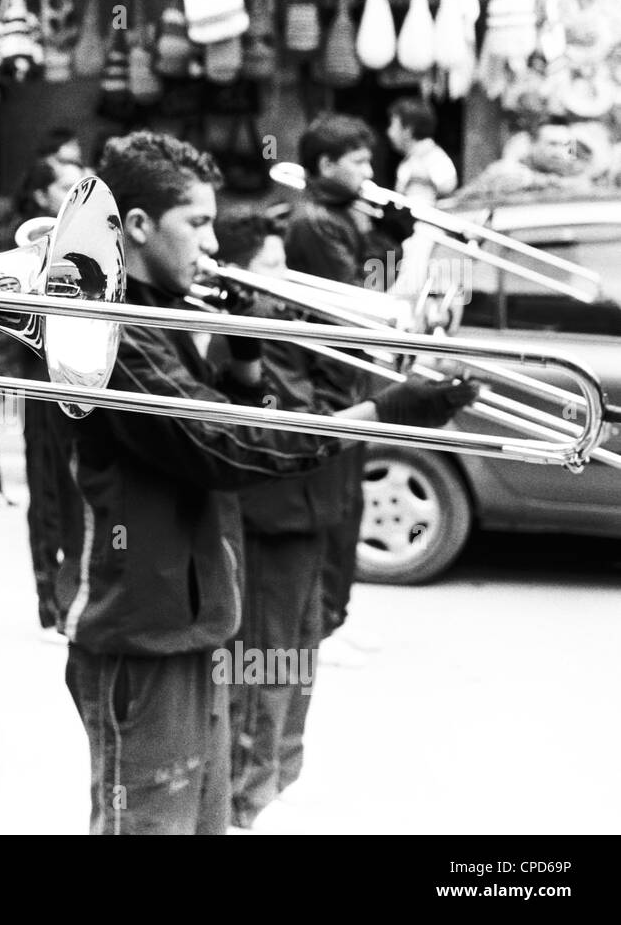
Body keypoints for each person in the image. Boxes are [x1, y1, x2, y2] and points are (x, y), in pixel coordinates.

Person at [61, 130, 476, 835]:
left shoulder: (160, 320)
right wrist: (380, 412)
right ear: (135, 227)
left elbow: (218, 430)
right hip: (143, 634)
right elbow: (224, 446)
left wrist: (244, 364)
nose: (210, 243)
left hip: (195, 623)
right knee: (151, 826)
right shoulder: (116, 334)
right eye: (196, 224)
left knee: (204, 823)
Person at [208, 208, 355, 830]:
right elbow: (284, 417)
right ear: (239, 276)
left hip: (310, 511)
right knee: (263, 661)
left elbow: (334, 396)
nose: (285, 276)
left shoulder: (290, 328)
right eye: (270, 265)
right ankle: (246, 793)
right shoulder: (234, 337)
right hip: (268, 518)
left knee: (300, 652)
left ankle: (280, 774)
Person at [283, 113, 399, 650]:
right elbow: (356, 302)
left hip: (348, 374)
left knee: (346, 505)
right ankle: (323, 622)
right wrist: (383, 244)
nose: (368, 171)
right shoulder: (314, 222)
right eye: (358, 162)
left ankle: (330, 618)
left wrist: (387, 238)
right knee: (333, 507)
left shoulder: (342, 214)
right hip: (329, 379)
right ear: (326, 165)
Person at [13, 157, 86, 633]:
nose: (74, 193)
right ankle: (48, 593)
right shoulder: (27, 246)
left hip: (78, 376)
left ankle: (71, 586)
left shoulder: (85, 244)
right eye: (65, 185)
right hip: (41, 382)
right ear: (42, 196)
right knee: (48, 488)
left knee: (77, 490)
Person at [386, 97, 458, 206]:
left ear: (408, 130)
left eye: (393, 125)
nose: (389, 132)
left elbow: (447, 187)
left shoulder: (435, 158)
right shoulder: (411, 160)